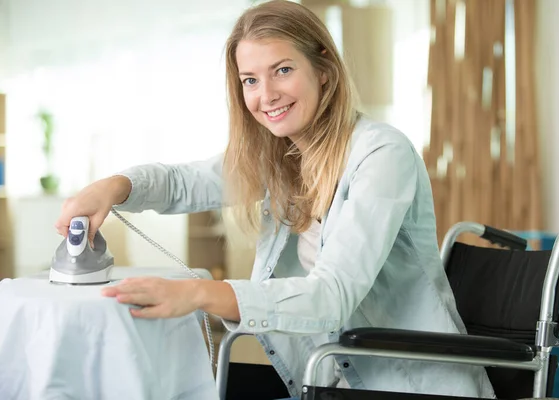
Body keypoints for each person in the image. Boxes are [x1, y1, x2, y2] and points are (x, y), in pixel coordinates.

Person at [55, 0, 495, 398]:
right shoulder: (280, 158)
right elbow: (180, 182)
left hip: (412, 386)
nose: (266, 95)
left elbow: (331, 296)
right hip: (329, 382)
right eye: (250, 79)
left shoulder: (382, 155)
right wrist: (113, 186)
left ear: (324, 68)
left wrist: (200, 293)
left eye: (282, 70)